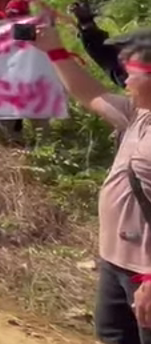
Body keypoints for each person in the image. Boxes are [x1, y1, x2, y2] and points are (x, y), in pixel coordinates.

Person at [33, 23, 150, 344]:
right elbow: (91, 93)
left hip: (145, 272)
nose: (124, 79)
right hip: (117, 263)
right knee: (112, 335)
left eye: (132, 72)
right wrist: (54, 50)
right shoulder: (137, 114)